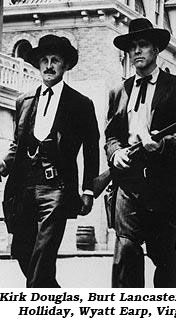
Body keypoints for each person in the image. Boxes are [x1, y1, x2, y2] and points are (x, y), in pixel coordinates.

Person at [105, 18, 176, 288]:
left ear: (156, 49)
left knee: (164, 258)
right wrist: (115, 154)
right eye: (132, 46)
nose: (137, 51)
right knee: (125, 253)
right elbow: (110, 135)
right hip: (127, 182)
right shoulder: (118, 91)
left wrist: (161, 145)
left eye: (143, 45)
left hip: (163, 184)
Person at [0, 35, 100, 287]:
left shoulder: (80, 104)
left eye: (55, 60)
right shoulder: (24, 101)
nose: (49, 65)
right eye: (44, 60)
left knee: (43, 254)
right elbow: (17, 144)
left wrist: (88, 190)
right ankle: (55, 301)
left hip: (57, 188)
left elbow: (91, 149)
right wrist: (3, 165)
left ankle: (35, 311)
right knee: (23, 252)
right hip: (24, 187)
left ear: (65, 65)